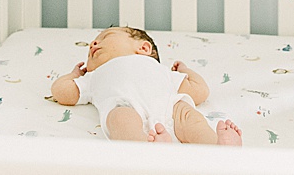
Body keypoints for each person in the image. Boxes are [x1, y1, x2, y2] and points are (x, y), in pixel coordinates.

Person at [50, 26, 242, 145]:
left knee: (189, 115)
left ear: (143, 48)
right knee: (119, 119)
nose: (93, 44)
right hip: (126, 106)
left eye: (105, 37)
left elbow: (200, 90)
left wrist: (185, 70)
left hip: (169, 108)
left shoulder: (163, 71)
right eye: (92, 45)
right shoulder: (94, 76)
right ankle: (144, 152)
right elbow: (61, 92)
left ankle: (217, 148)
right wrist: (74, 75)